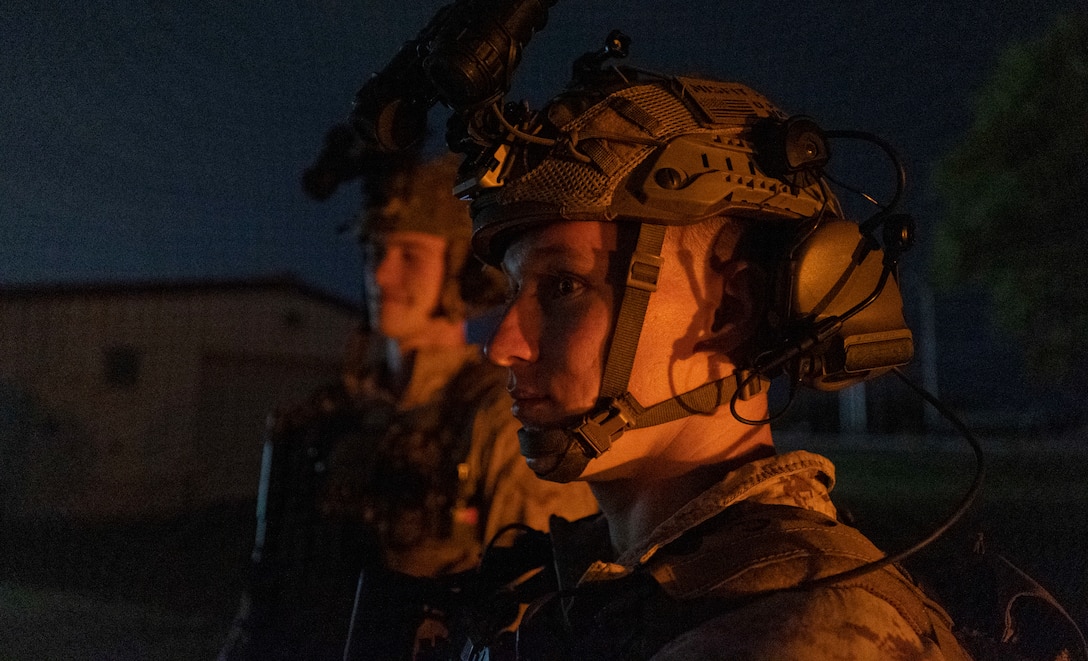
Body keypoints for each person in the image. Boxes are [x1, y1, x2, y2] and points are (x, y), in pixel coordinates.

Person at [442, 67, 977, 659]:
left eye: (564, 287)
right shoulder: (599, 586)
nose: (503, 344)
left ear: (730, 311)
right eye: (514, 290)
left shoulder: (800, 631)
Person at [218, 153, 598, 661]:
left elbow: (535, 615)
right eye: (375, 252)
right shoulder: (341, 412)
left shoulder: (503, 417)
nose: (382, 275)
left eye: (410, 255)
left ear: (459, 269)